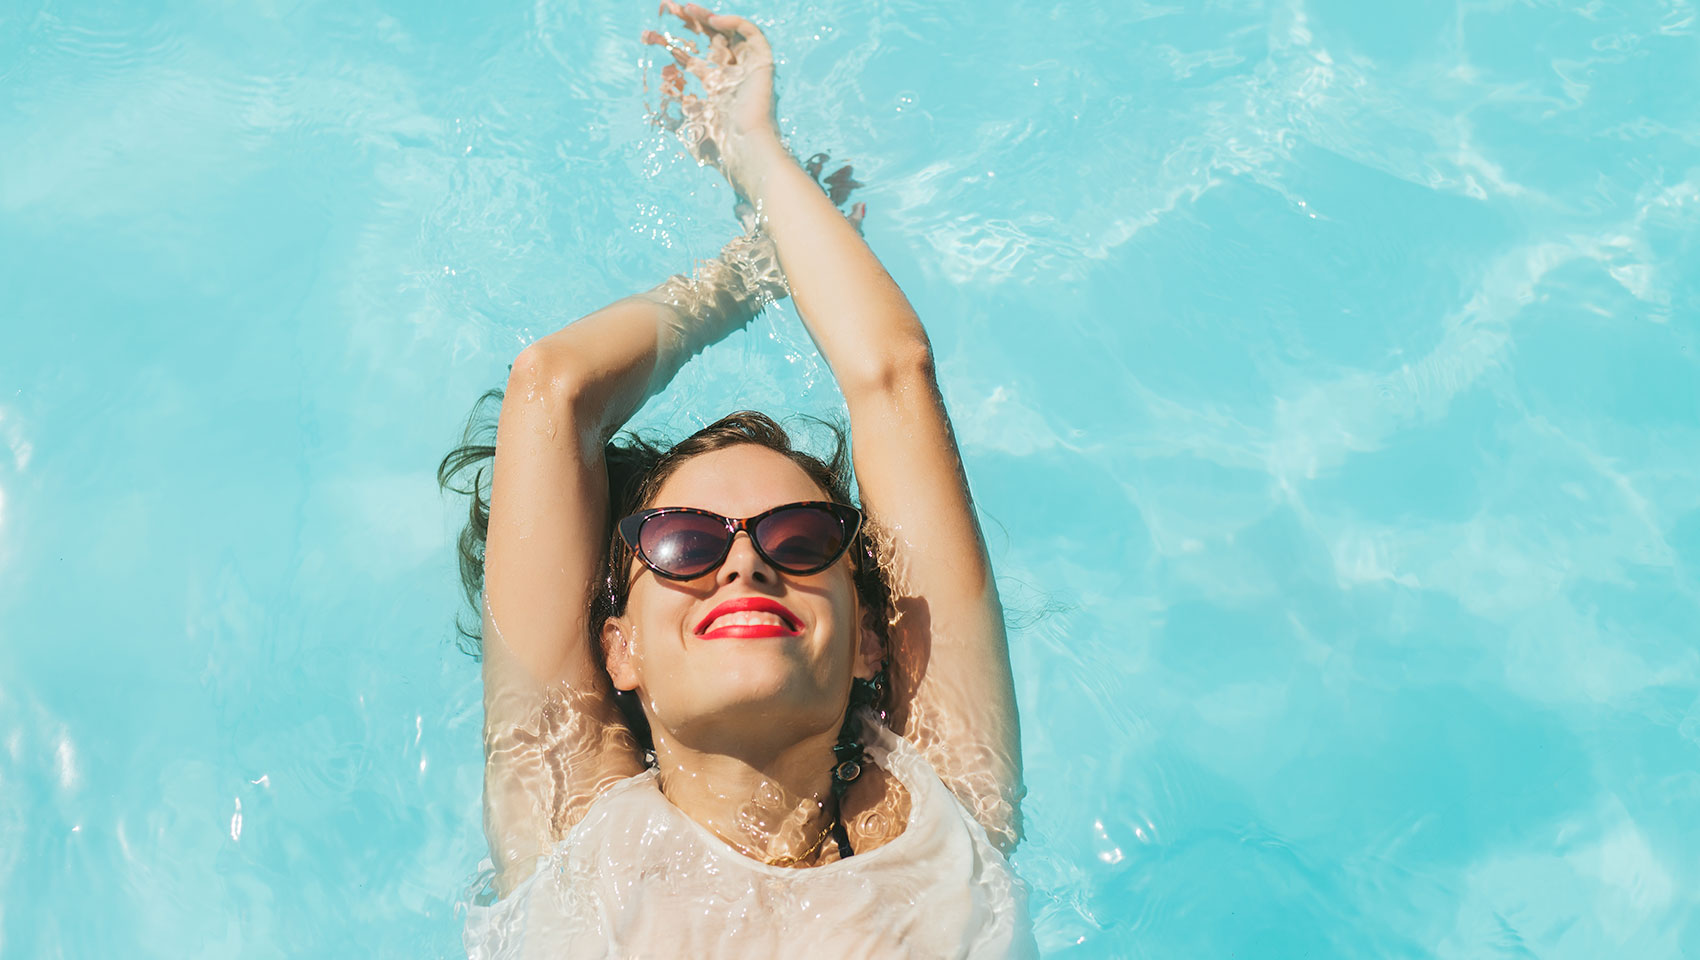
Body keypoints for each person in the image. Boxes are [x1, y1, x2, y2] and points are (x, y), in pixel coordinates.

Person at [440, 4, 1032, 955]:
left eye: (800, 540)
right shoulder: (567, 818)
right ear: (618, 650)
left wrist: (754, 148)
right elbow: (553, 392)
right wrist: (745, 276)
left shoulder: (946, 805)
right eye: (684, 544)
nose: (744, 566)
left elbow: (892, 377)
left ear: (873, 643)